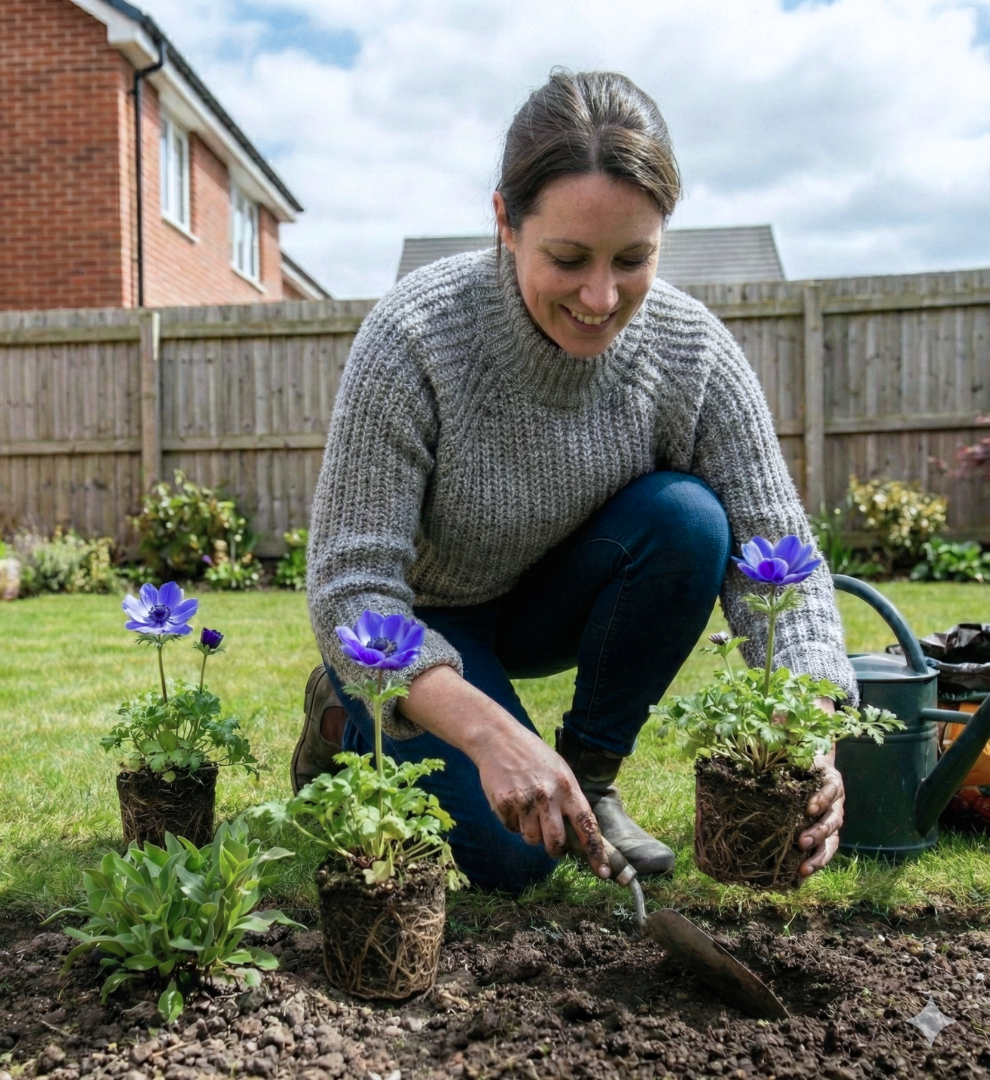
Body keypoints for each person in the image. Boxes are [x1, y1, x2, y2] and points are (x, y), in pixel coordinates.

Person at [292, 69, 857, 894]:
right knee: (520, 858)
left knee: (692, 521)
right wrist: (491, 738)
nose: (601, 296)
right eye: (568, 258)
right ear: (505, 223)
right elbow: (349, 591)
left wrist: (809, 734)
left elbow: (784, 557)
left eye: (634, 259)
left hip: (549, 601)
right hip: (416, 626)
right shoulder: (415, 336)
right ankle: (347, 715)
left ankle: (589, 774)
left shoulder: (691, 352)